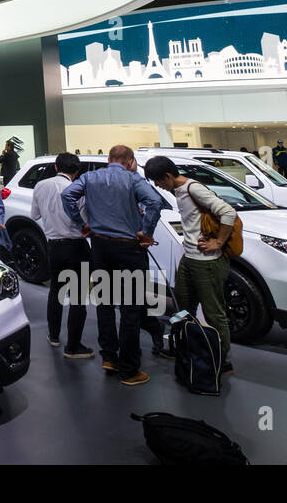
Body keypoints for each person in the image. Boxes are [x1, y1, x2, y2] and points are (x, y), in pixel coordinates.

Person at [61, 145, 165, 387]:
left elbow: (67, 196)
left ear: (109, 160)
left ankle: (109, 357)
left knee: (104, 303)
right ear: (129, 161)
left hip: (100, 247)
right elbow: (155, 202)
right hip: (128, 248)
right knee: (130, 307)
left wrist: (81, 224)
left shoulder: (89, 177)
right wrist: (146, 232)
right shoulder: (132, 179)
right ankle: (129, 369)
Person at [145, 156, 237, 374]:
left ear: (168, 176)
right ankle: (184, 348)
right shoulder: (179, 191)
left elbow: (228, 212)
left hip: (207, 263)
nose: (158, 186)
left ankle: (222, 361)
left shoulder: (192, 189)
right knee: (183, 307)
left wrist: (218, 242)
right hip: (190, 258)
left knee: (214, 313)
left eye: (158, 181)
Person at [33, 153, 93, 358]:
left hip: (54, 246)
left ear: (56, 167)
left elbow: (34, 215)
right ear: (77, 171)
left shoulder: (41, 186)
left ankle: (54, 336)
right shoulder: (80, 189)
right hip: (77, 246)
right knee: (77, 297)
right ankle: (73, 347)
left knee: (55, 292)